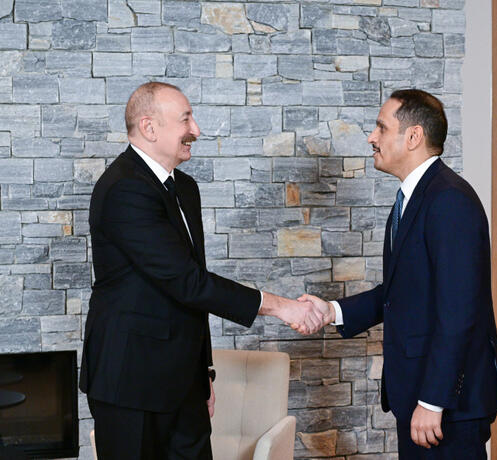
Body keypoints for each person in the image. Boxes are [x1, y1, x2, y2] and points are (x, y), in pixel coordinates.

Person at [80, 82, 323, 460]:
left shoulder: (185, 188)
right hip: (130, 383)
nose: (196, 129)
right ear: (149, 127)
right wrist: (281, 306)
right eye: (185, 120)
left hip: (185, 385)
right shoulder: (124, 188)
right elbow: (188, 283)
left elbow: (191, 289)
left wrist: (204, 371)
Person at [298, 89, 497, 459]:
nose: (371, 137)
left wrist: (433, 400)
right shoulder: (414, 198)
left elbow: (459, 310)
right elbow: (403, 291)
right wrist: (333, 311)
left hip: (446, 404)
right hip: (419, 394)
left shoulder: (450, 200)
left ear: (413, 136)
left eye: (381, 127)